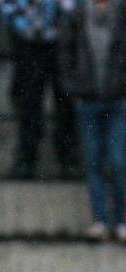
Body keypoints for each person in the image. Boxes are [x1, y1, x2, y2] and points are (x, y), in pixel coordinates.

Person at [58, 0, 126, 242]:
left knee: (118, 162)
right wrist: (73, 89)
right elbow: (65, 51)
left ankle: (121, 220)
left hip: (118, 100)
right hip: (87, 100)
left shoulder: (122, 12)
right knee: (93, 161)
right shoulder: (77, 13)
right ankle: (99, 219)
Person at [0, 0, 79, 180]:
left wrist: (68, 14)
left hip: (62, 38)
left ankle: (68, 159)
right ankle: (26, 158)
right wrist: (19, 21)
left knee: (65, 101)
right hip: (28, 39)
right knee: (29, 102)